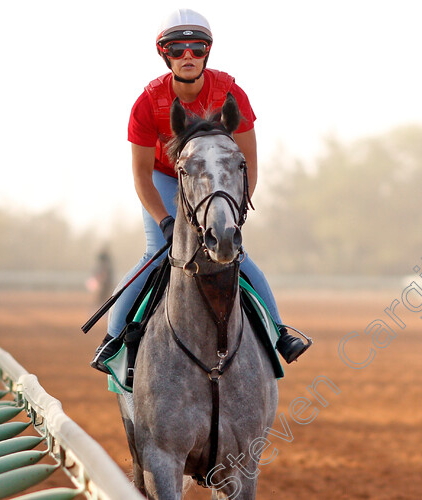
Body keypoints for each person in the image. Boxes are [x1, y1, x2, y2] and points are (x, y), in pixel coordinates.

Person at [91, 9, 309, 373]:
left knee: (235, 252)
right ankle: (112, 341)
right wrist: (164, 221)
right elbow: (142, 175)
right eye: (178, 49)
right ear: (165, 54)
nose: (188, 56)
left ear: (207, 51)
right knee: (158, 253)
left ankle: (279, 332)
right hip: (164, 176)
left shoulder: (231, 93)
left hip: (217, 177)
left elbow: (247, 163)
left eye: (196, 47)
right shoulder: (146, 103)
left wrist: (235, 213)